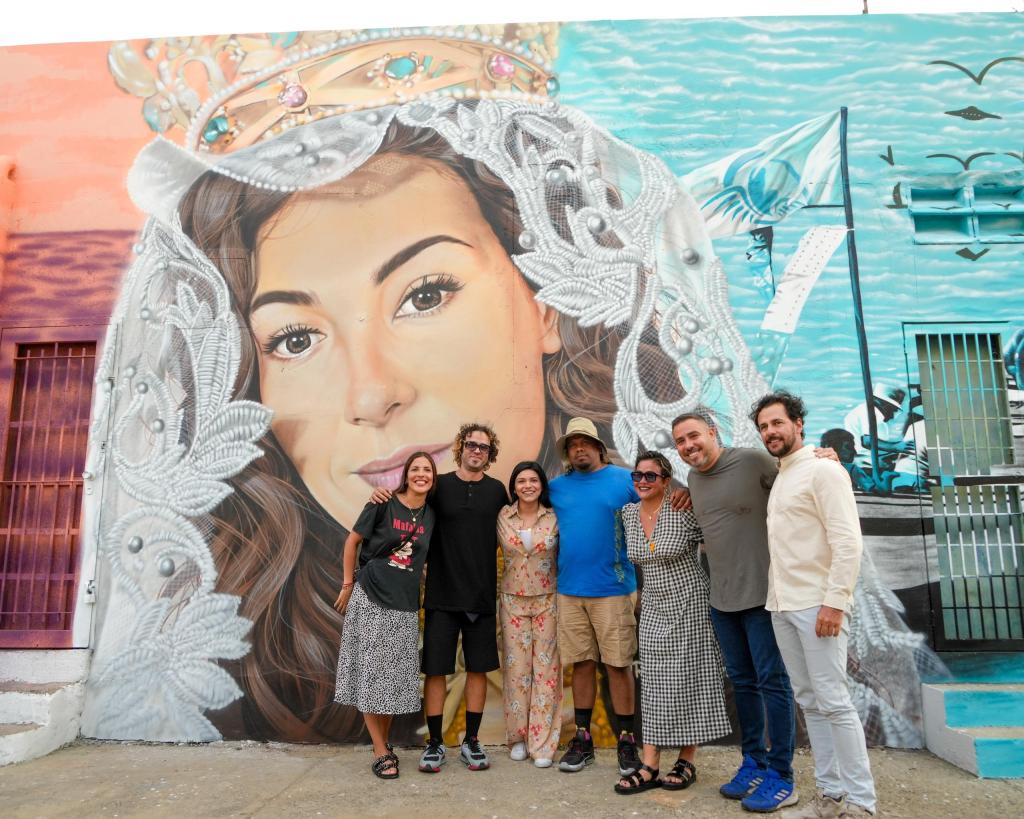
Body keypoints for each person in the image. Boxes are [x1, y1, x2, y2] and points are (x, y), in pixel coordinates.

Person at [94, 30, 770, 742]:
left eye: (425, 294)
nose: (369, 394)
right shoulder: (229, 652)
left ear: (547, 299)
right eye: (295, 339)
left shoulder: (644, 508)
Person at [753, 391, 878, 818]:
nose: (771, 432)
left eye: (777, 423)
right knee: (809, 700)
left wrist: (835, 603)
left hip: (817, 606)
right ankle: (830, 797)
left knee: (834, 701)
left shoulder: (823, 471)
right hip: (782, 606)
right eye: (764, 427)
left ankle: (861, 803)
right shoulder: (784, 474)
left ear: (798, 423)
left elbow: (847, 542)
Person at [672, 411, 799, 812]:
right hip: (722, 601)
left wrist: (823, 458)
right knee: (743, 685)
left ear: (713, 432)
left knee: (773, 684)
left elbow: (796, 478)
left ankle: (782, 775)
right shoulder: (693, 479)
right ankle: (754, 763)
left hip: (763, 597)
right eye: (680, 441)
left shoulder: (752, 460)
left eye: (694, 435)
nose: (688, 445)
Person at [372, 424, 508, 773]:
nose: (476, 450)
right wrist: (382, 496)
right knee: (436, 671)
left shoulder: (496, 492)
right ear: (461, 447)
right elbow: (409, 504)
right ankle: (434, 744)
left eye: (484, 447)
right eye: (472, 444)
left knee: (478, 669)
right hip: (440, 596)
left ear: (490, 455)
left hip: (480, 596)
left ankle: (471, 742)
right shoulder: (440, 486)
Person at [614, 451, 730, 795]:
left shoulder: (683, 509)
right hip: (652, 603)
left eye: (651, 476)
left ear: (666, 481)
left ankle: (686, 759)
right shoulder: (629, 513)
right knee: (653, 681)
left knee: (691, 677)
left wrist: (696, 495)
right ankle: (649, 764)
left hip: (690, 600)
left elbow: (720, 532)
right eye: (638, 476)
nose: (643, 482)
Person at [332, 451, 437, 780]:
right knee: (370, 675)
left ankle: (385, 742)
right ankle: (380, 750)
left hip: (405, 604)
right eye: (415, 469)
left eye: (427, 470)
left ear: (433, 478)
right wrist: (348, 583)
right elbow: (352, 542)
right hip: (372, 597)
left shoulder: (431, 515)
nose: (421, 474)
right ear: (406, 474)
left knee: (392, 680)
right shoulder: (383, 502)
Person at [547, 417, 641, 776]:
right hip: (569, 591)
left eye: (585, 442)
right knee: (582, 664)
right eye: (573, 444)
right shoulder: (556, 487)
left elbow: (655, 506)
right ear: (568, 452)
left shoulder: (624, 480)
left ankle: (627, 740)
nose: (579, 449)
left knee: (618, 665)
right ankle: (583, 740)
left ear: (599, 447)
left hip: (614, 591)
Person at [496, 461, 561, 768]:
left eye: (533, 480)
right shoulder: (503, 516)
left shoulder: (554, 516)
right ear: (514, 486)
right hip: (512, 601)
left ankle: (543, 743)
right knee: (517, 672)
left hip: (548, 599)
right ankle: (518, 738)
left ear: (541, 485)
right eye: (521, 480)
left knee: (545, 673)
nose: (527, 485)